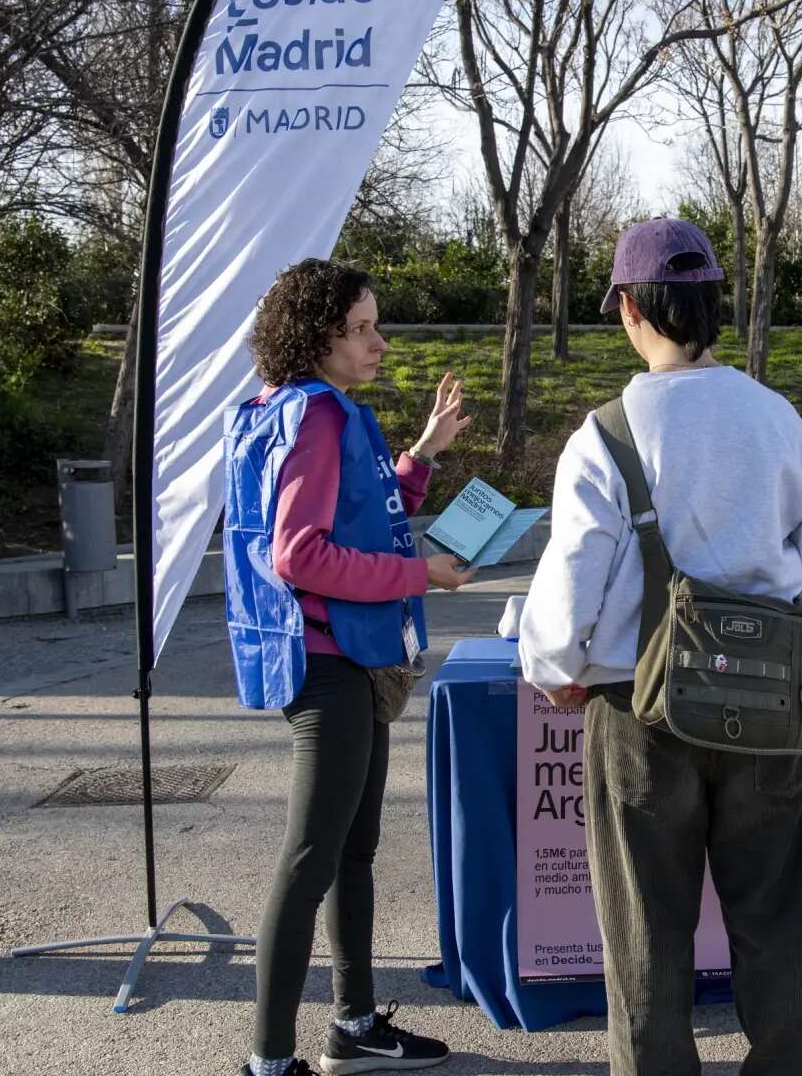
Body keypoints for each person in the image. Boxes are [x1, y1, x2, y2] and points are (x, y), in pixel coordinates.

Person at [518, 218, 802, 1076]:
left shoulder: (606, 435)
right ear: (712, 307)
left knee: (646, 940)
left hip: (642, 713)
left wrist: (556, 669)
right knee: (777, 925)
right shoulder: (778, 420)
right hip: (775, 712)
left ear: (629, 308)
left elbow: (572, 583)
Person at [222, 259, 474, 1076]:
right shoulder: (321, 417)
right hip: (331, 666)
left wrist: (424, 453)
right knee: (308, 864)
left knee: (351, 854)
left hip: (345, 661)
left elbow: (363, 512)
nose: (378, 341)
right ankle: (269, 1062)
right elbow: (303, 555)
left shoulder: (299, 409)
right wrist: (419, 575)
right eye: (362, 328)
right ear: (318, 335)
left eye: (375, 325)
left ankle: (357, 1025)